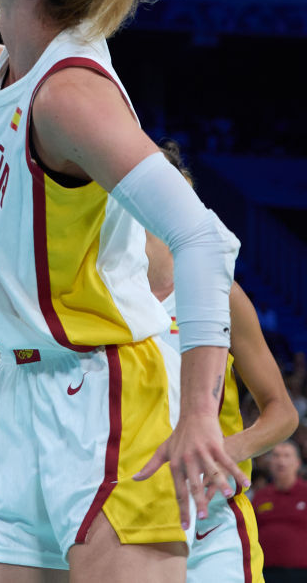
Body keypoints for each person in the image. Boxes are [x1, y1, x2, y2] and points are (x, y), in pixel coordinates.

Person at [0, 0, 246, 582]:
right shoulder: (28, 67)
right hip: (20, 392)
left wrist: (199, 413)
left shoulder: (72, 94)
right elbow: (27, 94)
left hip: (104, 397)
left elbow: (203, 240)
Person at [145, 143, 298, 583]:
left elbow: (282, 412)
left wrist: (230, 450)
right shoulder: (104, 296)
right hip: (127, 512)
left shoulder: (221, 294)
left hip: (211, 519)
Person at [253, 442, 307, 582]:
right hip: (265, 572)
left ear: (297, 463)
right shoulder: (260, 496)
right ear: (270, 463)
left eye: (287, 456)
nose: (281, 461)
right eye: (276, 456)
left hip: (301, 573)